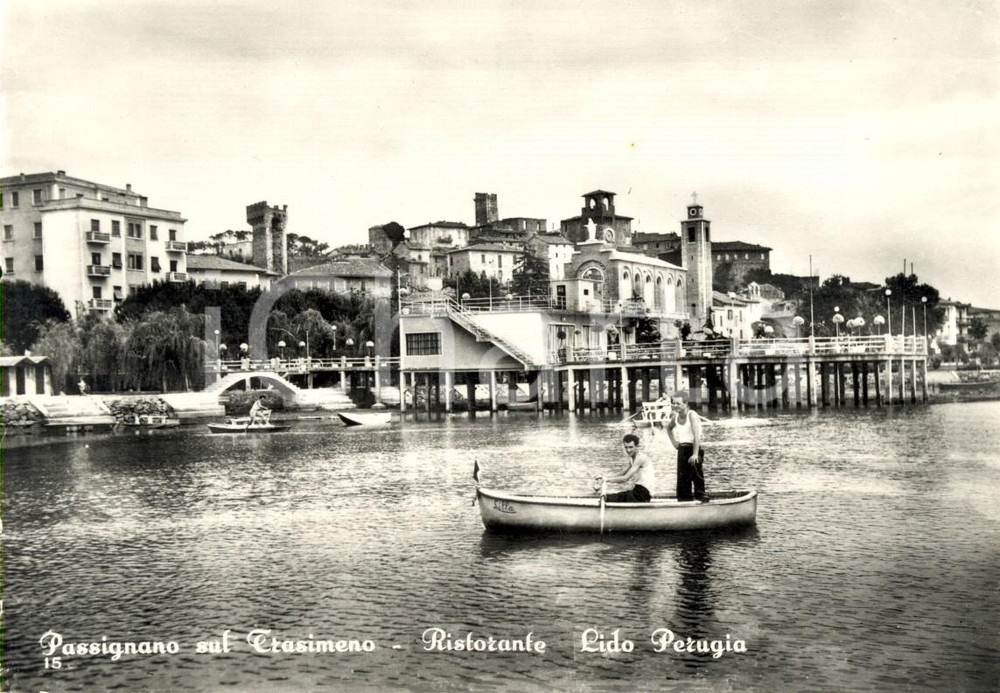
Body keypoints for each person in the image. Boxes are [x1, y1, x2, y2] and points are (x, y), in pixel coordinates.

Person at [665, 391, 708, 502]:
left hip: (694, 448)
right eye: (673, 403)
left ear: (685, 403)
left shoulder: (692, 415)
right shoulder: (675, 417)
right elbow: (668, 428)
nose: (675, 406)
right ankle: (684, 499)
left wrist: (695, 454)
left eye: (678, 403)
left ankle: (700, 495)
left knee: (696, 475)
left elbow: (696, 437)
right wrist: (674, 442)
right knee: (682, 480)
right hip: (682, 449)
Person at [597, 433, 656, 503]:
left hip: (644, 493)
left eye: (631, 447)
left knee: (608, 498)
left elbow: (625, 478)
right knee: (610, 497)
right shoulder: (632, 457)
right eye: (626, 447)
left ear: (637, 446)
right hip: (638, 489)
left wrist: (607, 480)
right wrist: (605, 477)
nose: (628, 450)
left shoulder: (640, 458)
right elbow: (622, 473)